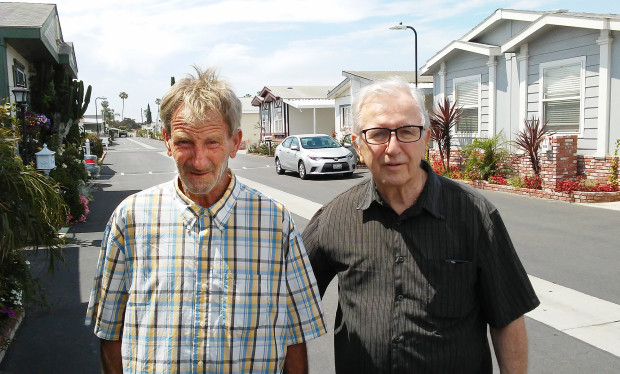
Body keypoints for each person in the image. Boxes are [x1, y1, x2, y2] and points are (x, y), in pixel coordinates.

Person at [86, 67, 326, 374]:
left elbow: (295, 337)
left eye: (212, 142)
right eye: (185, 142)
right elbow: (110, 332)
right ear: (167, 141)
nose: (198, 160)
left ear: (235, 142)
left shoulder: (275, 223)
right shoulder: (130, 219)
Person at [302, 77, 539, 374]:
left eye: (406, 132)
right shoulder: (334, 218)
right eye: (377, 134)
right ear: (358, 146)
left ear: (426, 138)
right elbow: (289, 303)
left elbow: (508, 317)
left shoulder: (476, 215)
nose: (393, 147)